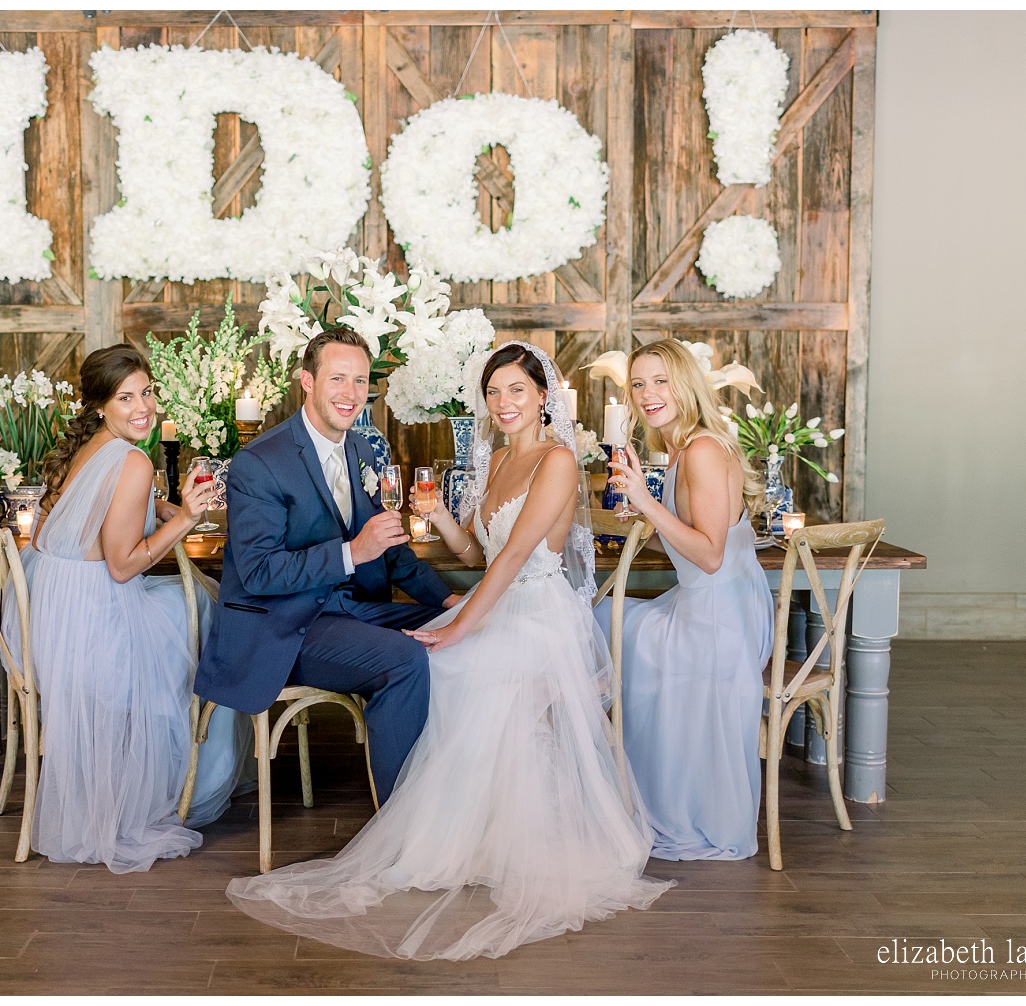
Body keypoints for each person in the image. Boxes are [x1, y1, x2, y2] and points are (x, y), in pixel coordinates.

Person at [225, 342, 672, 961]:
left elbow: (515, 558)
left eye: (517, 390)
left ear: (545, 396)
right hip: (314, 619)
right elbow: (475, 555)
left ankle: (450, 832)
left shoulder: (557, 459)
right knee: (426, 658)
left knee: (443, 657)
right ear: (307, 382)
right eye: (494, 392)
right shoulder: (486, 461)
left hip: (537, 611)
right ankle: (426, 828)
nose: (505, 403)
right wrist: (435, 523)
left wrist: (452, 620)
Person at [3, 345, 249, 874]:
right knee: (211, 612)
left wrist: (155, 507)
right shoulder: (134, 459)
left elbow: (97, 512)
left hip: (51, 618)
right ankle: (191, 782)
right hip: (97, 621)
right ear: (99, 406)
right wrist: (184, 517)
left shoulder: (89, 446)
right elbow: (122, 566)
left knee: (197, 602)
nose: (144, 408)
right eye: (126, 398)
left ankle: (169, 767)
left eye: (148, 392)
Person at [195, 327, 457, 807]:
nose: (351, 393)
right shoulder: (258, 462)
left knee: (463, 630)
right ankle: (402, 817)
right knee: (405, 659)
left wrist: (449, 602)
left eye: (360, 382)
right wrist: (351, 553)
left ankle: (459, 800)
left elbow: (390, 548)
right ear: (307, 382)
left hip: (356, 611)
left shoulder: (360, 450)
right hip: (288, 626)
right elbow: (259, 573)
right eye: (338, 378)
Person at [595, 337, 774, 860]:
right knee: (607, 619)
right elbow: (688, 536)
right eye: (637, 384)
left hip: (720, 619)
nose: (648, 393)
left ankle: (598, 787)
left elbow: (711, 554)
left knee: (601, 625)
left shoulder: (700, 449)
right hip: (710, 604)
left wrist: (647, 501)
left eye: (660, 380)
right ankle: (600, 782)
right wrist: (642, 520)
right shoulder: (683, 446)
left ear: (685, 383)